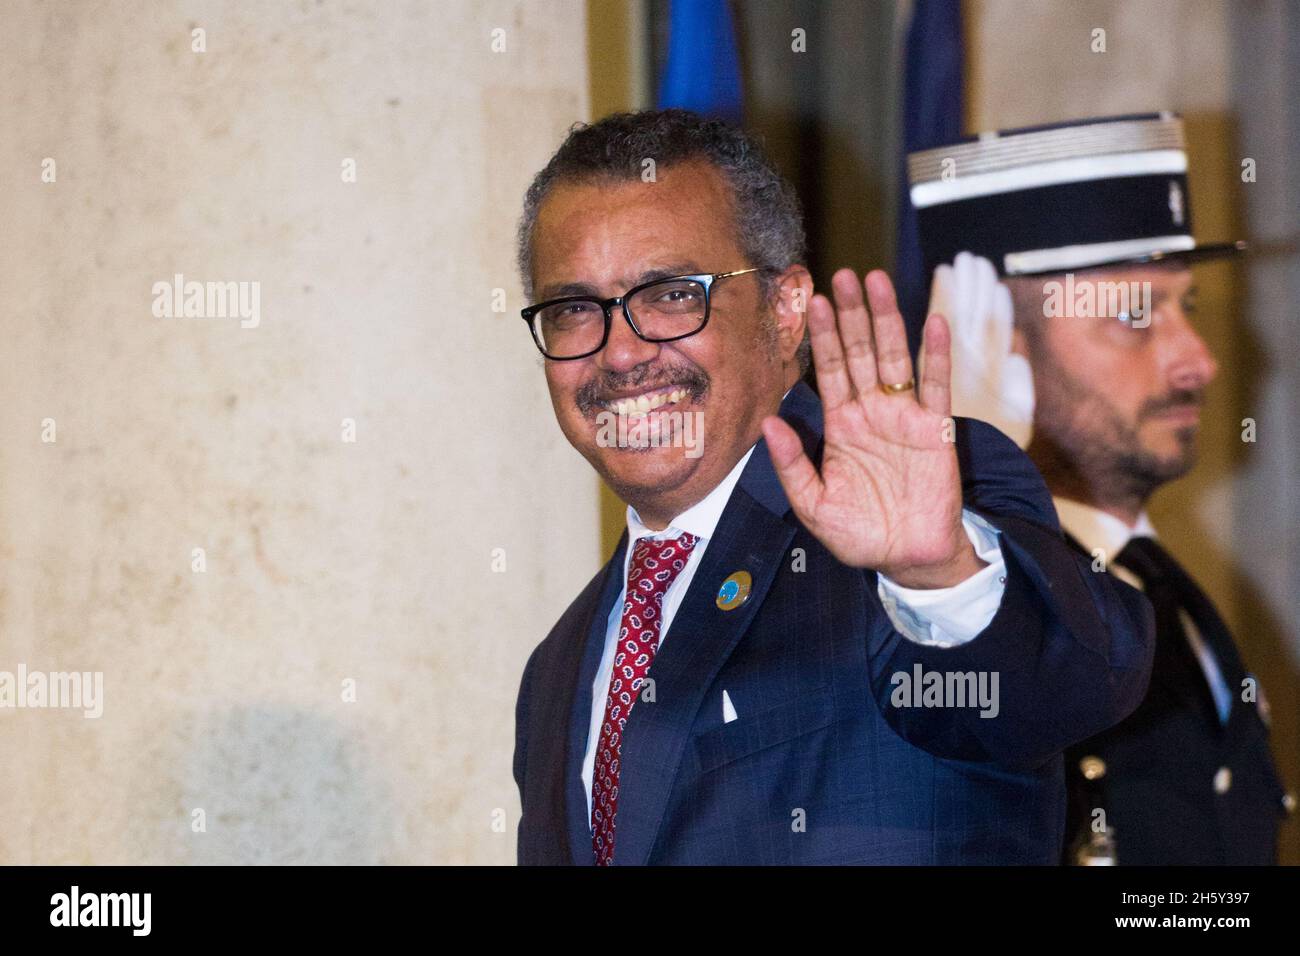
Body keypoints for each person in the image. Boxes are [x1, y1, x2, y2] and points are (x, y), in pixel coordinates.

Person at [512, 108, 1152, 866]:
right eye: (576, 309)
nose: (621, 353)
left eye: (672, 294)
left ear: (786, 313)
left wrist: (935, 576)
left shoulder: (924, 514)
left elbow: (1067, 688)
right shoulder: (559, 665)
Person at [910, 112, 1292, 864]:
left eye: (1183, 306)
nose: (1198, 361)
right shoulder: (951, 615)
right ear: (995, 339)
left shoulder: (1166, 589)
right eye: (1131, 315)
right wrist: (974, 477)